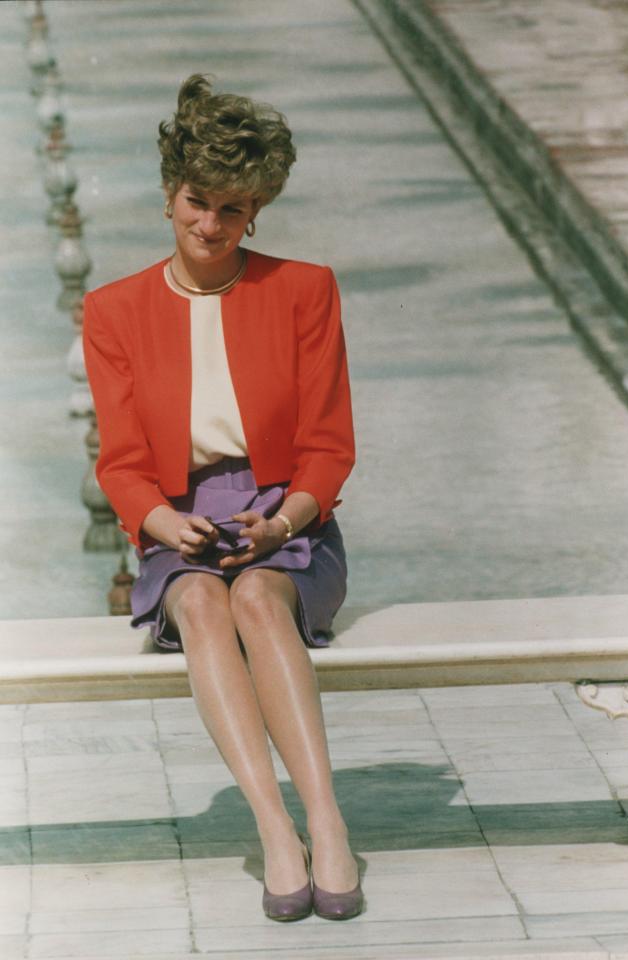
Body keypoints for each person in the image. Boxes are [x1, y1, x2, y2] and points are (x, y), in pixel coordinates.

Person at [83, 74, 361, 922]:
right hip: (177, 518)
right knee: (204, 602)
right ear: (169, 194)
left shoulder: (303, 290)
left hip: (289, 519)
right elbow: (122, 463)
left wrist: (279, 520)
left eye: (232, 210)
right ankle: (275, 830)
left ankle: (327, 820)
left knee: (260, 602)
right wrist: (163, 521)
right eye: (197, 202)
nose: (210, 226)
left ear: (256, 213)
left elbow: (328, 448)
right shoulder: (113, 311)